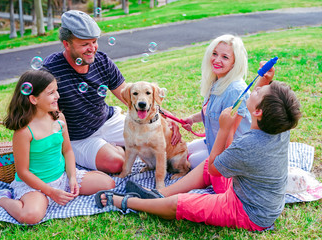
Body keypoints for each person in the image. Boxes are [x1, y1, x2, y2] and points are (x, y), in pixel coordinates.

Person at [95, 80, 302, 231]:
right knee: (203, 165)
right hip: (258, 199)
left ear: (258, 112)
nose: (254, 88)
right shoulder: (280, 126)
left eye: (259, 91)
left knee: (181, 204)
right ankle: (161, 194)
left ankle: (126, 202)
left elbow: (215, 167)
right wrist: (268, 81)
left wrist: (223, 130)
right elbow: (271, 105)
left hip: (248, 212)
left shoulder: (249, 146)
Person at [0, 70, 115, 224]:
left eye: (56, 90)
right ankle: (2, 198)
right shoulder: (24, 132)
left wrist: (72, 178)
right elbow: (23, 172)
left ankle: (65, 184)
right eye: (51, 92)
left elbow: (68, 150)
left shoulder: (58, 117)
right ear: (33, 99)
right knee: (30, 216)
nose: (57, 95)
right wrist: (51, 192)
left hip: (62, 178)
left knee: (108, 184)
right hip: (35, 185)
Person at [43, 10, 181, 174]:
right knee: (118, 164)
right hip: (81, 137)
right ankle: (114, 149)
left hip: (108, 121)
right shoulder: (50, 70)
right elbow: (46, 114)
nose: (92, 48)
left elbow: (130, 96)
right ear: (67, 44)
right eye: (85, 44)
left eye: (94, 42)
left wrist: (170, 119)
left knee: (165, 139)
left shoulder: (102, 60)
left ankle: (116, 146)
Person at [182, 34, 274, 169]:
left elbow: (229, 139)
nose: (217, 60)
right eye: (214, 54)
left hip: (229, 153)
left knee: (188, 162)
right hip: (212, 142)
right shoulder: (217, 81)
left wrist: (217, 164)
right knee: (184, 151)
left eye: (225, 57)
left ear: (234, 63)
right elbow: (213, 111)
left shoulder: (235, 90)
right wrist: (192, 119)